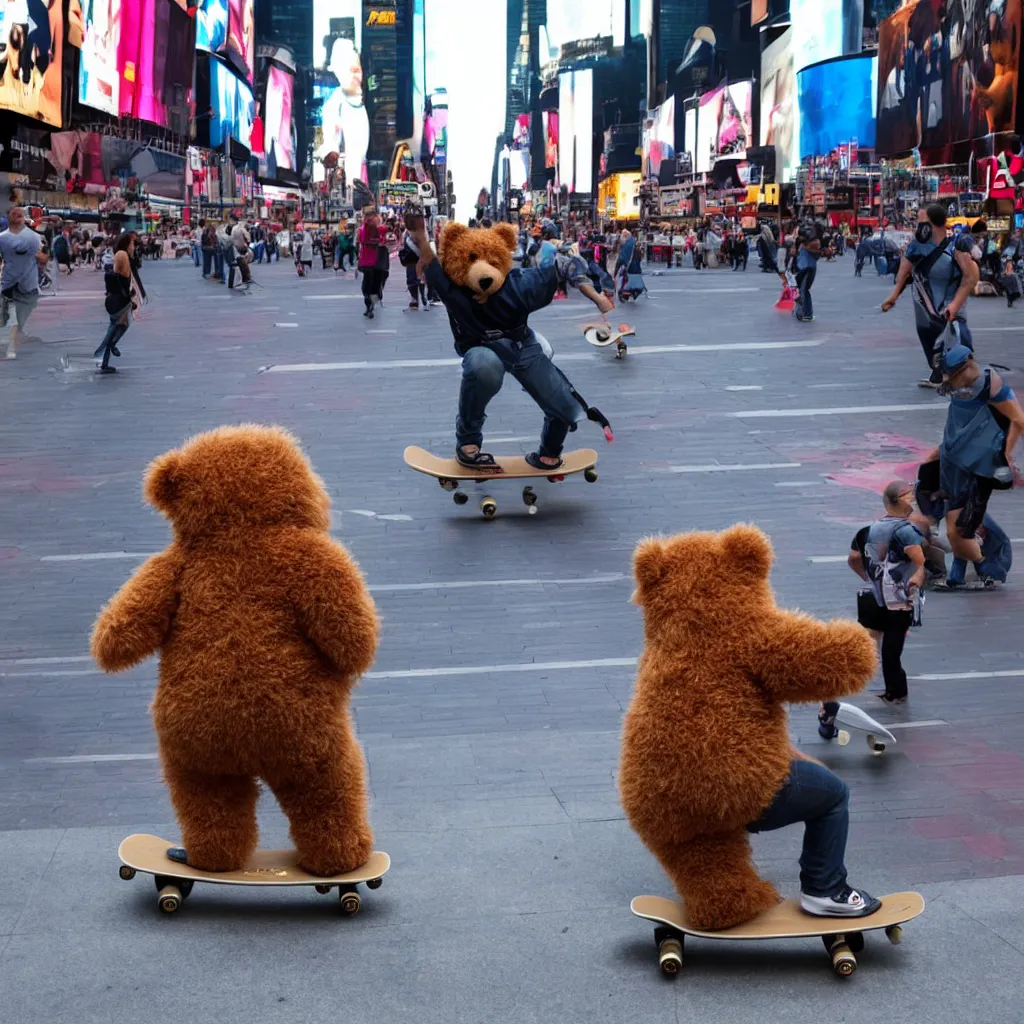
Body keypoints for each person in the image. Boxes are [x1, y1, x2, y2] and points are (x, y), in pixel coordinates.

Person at [406, 216, 614, 472]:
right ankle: (468, 443)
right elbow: (428, 256)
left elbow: (564, 266)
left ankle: (549, 452)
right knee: (484, 365)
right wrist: (419, 235)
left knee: (565, 405)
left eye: (491, 262)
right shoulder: (454, 289)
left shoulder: (519, 285)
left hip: (521, 346)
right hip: (481, 347)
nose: (483, 273)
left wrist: (595, 296)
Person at [926, 345, 1024, 586]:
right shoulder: (956, 383)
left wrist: (1006, 454)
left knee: (958, 528)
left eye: (952, 377)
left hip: (978, 462)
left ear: (967, 368)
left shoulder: (989, 383)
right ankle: (962, 567)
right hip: (953, 455)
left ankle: (988, 565)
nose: (948, 382)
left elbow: (1018, 420)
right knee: (958, 519)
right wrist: (938, 453)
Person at [846, 480, 926, 704]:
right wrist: (916, 579)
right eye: (910, 495)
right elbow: (920, 563)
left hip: (874, 594)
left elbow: (853, 558)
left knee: (874, 641)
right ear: (901, 499)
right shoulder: (907, 532)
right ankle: (896, 691)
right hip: (898, 598)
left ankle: (886, 687)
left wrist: (867, 577)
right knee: (892, 647)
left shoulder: (866, 531)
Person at [881, 204, 979, 388]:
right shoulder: (916, 246)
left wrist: (956, 303)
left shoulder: (955, 245)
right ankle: (939, 374)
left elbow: (970, 278)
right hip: (924, 302)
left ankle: (961, 373)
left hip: (950, 299)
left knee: (956, 333)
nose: (918, 225)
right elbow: (903, 274)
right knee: (929, 339)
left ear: (934, 224)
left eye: (922, 221)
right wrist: (893, 296)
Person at [0, 207, 46, 359]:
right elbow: (43, 259)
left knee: (16, 320)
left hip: (26, 285)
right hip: (10, 283)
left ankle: (12, 347)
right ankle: (11, 346)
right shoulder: (3, 238)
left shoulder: (33, 237)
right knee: (9, 319)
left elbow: (43, 258)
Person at [94, 248, 133, 374]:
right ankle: (107, 350)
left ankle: (109, 350)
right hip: (121, 304)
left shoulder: (109, 274)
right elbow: (126, 293)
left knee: (116, 327)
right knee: (116, 330)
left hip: (110, 303)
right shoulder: (125, 277)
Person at [357, 212, 388, 318]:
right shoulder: (381, 230)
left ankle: (368, 303)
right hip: (378, 261)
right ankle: (372, 303)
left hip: (366, 261)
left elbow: (360, 243)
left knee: (367, 283)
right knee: (375, 283)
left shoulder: (361, 230)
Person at [793, 221, 820, 322]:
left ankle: (807, 313)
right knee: (801, 290)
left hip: (807, 268)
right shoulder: (802, 243)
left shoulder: (812, 243)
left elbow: (816, 250)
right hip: (803, 268)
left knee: (804, 290)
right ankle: (801, 311)